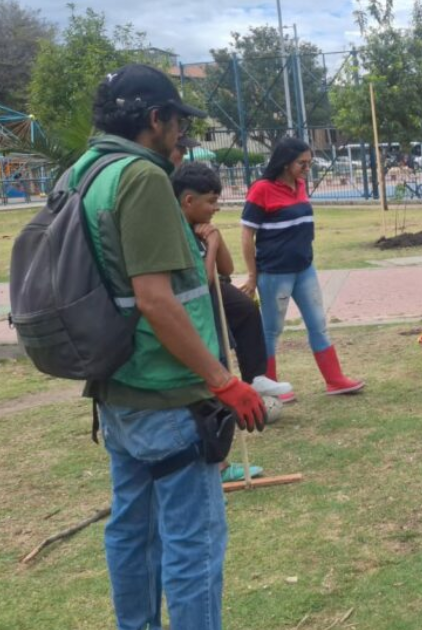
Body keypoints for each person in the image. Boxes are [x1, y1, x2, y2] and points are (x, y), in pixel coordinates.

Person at [76, 63, 266, 629]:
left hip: (118, 387)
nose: (181, 133)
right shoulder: (142, 177)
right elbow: (157, 300)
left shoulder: (85, 172)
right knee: (193, 542)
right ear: (154, 118)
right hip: (166, 392)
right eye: (178, 122)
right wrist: (222, 380)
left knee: (131, 530)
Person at [174, 162, 292, 485]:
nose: (215, 208)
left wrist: (216, 237)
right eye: (210, 201)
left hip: (211, 305)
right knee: (213, 378)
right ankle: (220, 465)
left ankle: (256, 377)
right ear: (188, 201)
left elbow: (224, 267)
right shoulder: (177, 233)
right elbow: (202, 278)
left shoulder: (199, 227)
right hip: (196, 314)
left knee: (243, 308)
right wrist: (209, 246)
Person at [240, 137, 365, 396]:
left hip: (304, 269)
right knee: (272, 329)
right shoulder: (261, 189)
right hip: (274, 272)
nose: (308, 169)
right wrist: (252, 275)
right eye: (302, 163)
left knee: (318, 323)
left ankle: (334, 379)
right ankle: (269, 385)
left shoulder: (299, 185)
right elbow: (246, 236)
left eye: (309, 163)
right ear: (285, 163)